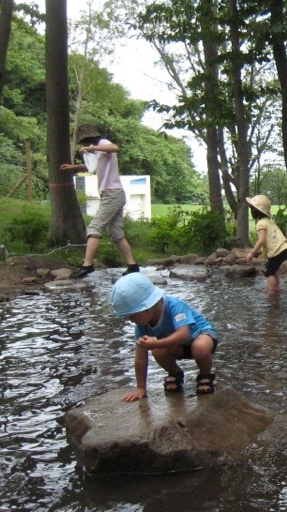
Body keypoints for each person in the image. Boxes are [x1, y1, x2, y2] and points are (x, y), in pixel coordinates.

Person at [111, 273, 220, 402]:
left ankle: (205, 375)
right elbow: (140, 357)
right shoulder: (142, 325)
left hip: (200, 335)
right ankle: (175, 373)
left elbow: (183, 334)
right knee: (157, 350)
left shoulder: (175, 306)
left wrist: (156, 343)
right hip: (177, 347)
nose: (131, 321)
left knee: (199, 347)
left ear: (148, 307)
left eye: (133, 316)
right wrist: (141, 387)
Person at [59, 124, 139, 279]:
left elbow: (115, 147)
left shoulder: (103, 143)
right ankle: (133, 265)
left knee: (94, 227)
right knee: (116, 233)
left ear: (89, 140)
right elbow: (93, 167)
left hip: (112, 194)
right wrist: (73, 167)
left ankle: (87, 265)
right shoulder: (98, 150)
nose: (82, 145)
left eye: (83, 143)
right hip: (112, 194)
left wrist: (90, 149)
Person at [244, 194, 287, 296]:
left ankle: (271, 292)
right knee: (273, 269)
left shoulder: (261, 223)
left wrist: (252, 253)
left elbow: (261, 240)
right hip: (284, 248)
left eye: (251, 208)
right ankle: (276, 288)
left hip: (277, 250)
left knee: (268, 272)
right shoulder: (269, 221)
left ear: (255, 211)